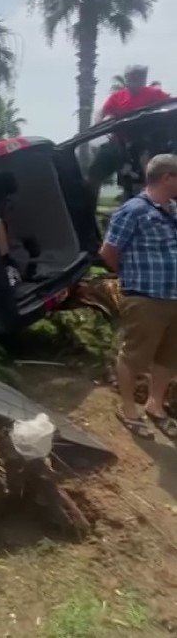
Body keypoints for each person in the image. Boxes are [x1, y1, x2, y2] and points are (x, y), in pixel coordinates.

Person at [100, 153, 177, 439]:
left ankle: (155, 405)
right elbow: (108, 251)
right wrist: (130, 276)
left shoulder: (174, 210)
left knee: (169, 355)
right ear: (167, 178)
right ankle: (129, 409)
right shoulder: (132, 210)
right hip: (145, 297)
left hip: (173, 297)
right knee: (134, 356)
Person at [88, 66, 171, 202]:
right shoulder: (117, 97)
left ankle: (152, 198)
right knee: (95, 171)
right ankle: (87, 206)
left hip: (145, 142)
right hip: (118, 142)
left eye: (138, 77)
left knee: (147, 164)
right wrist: (101, 121)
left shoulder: (154, 94)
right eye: (131, 77)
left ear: (143, 79)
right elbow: (102, 113)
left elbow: (170, 105)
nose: (134, 80)